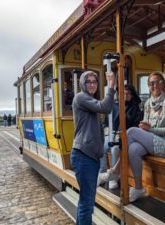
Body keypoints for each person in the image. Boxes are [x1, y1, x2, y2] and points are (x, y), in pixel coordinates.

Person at [99, 71, 165, 202]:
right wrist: (145, 127)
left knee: (131, 132)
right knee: (133, 149)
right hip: (153, 142)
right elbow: (146, 127)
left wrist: (150, 129)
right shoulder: (148, 104)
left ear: (163, 84)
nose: (154, 86)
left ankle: (115, 171)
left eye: (157, 82)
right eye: (151, 83)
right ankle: (138, 188)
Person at [70, 70, 115, 225]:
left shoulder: (89, 100)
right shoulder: (81, 97)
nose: (92, 84)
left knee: (85, 202)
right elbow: (106, 107)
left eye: (94, 81)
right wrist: (111, 86)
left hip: (89, 157)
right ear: (82, 83)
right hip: (84, 156)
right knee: (87, 204)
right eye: (88, 81)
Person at [98, 84, 142, 189]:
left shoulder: (135, 109)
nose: (125, 95)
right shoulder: (115, 106)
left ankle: (114, 179)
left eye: (128, 93)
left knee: (114, 149)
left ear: (132, 95)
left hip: (126, 136)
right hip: (112, 134)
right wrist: (108, 131)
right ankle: (102, 173)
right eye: (123, 93)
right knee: (102, 148)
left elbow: (135, 126)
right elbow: (107, 122)